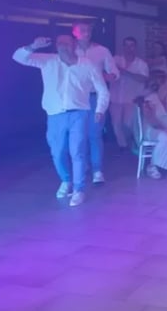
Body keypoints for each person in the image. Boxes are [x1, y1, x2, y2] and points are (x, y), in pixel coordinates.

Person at [13, 35, 109, 206]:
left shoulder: (87, 64)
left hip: (79, 113)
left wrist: (100, 109)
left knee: (77, 151)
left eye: (66, 43)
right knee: (57, 152)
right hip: (55, 114)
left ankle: (79, 189)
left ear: (74, 45)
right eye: (59, 43)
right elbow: (18, 57)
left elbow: (102, 89)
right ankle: (66, 180)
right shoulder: (48, 61)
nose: (62, 46)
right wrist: (33, 45)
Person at [73, 21, 119, 184]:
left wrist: (108, 76)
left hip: (95, 97)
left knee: (95, 134)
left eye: (89, 30)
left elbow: (114, 72)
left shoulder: (102, 50)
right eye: (82, 30)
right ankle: (82, 165)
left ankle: (97, 170)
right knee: (78, 135)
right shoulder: (70, 50)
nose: (86, 33)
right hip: (76, 98)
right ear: (74, 32)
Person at [110, 37, 149, 150]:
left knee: (129, 124)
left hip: (132, 99)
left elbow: (144, 79)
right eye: (126, 45)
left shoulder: (141, 64)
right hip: (115, 98)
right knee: (116, 124)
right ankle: (123, 147)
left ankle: (132, 143)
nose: (129, 48)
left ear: (135, 47)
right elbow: (108, 73)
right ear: (123, 47)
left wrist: (126, 73)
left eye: (131, 45)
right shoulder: (115, 60)